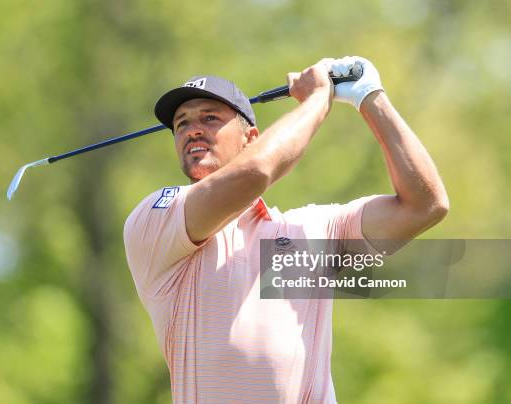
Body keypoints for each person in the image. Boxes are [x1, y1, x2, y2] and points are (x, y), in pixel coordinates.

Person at [123, 56, 448, 403]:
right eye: (182, 123)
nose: (192, 130)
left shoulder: (308, 230)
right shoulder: (157, 219)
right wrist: (318, 100)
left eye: (210, 118)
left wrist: (369, 96)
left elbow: (424, 205)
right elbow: (256, 173)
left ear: (250, 137)